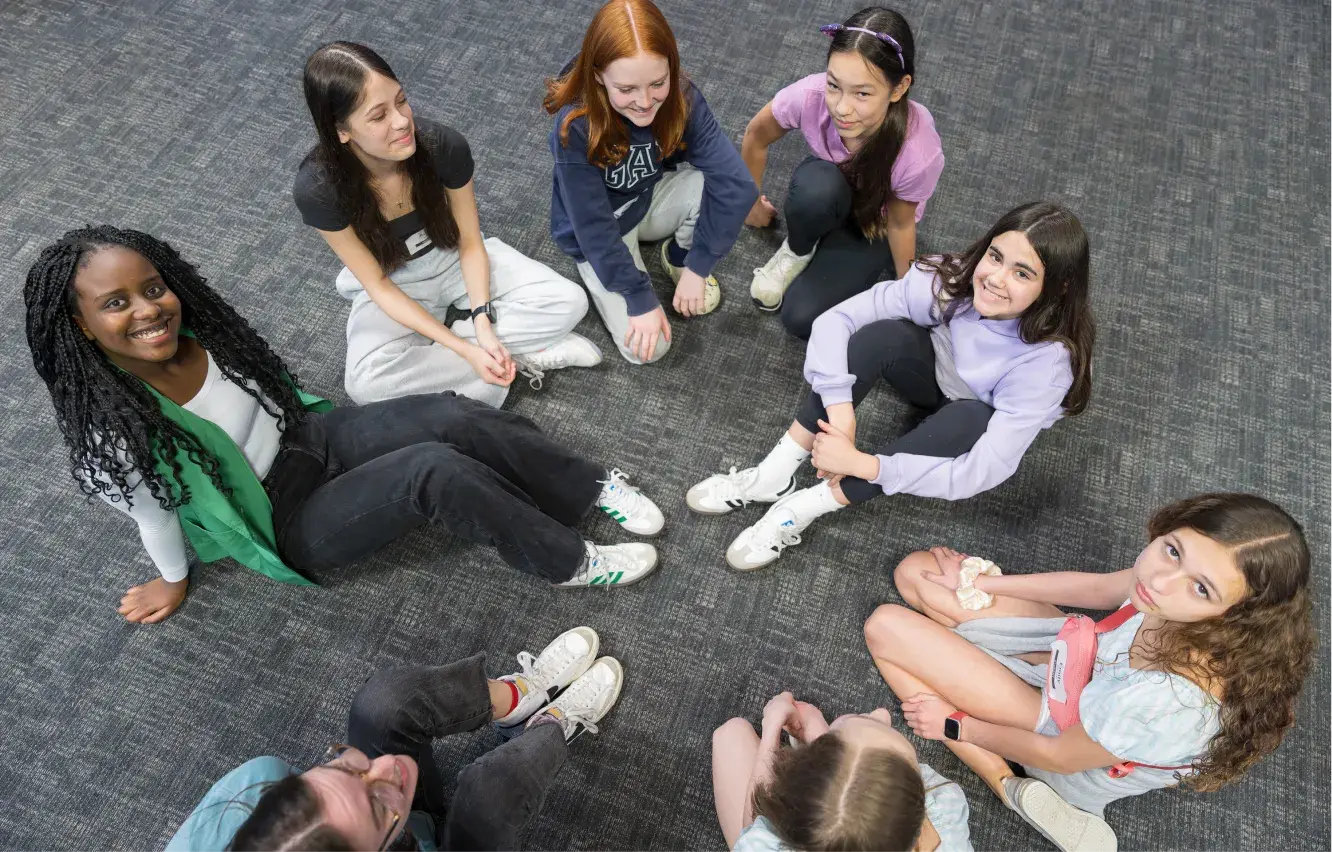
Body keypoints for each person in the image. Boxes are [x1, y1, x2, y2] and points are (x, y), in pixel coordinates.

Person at [23, 226, 665, 623]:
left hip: (307, 441)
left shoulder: (199, 335)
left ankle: (587, 488)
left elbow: (271, 400)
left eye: (153, 288)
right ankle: (569, 561)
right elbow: (155, 515)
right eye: (115, 304)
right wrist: (172, 580)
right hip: (285, 519)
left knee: (451, 413)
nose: (148, 311)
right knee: (434, 473)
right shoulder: (114, 431)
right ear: (81, 325)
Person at [865, 493, 1315, 851]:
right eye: (1173, 550)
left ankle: (1005, 783)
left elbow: (1060, 754)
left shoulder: (1169, 701)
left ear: (1233, 615)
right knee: (918, 574)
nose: (1160, 581)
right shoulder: (1160, 592)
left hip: (1072, 738)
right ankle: (983, 669)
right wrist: (981, 583)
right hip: (1087, 664)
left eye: (1200, 588)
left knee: (884, 627)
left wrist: (958, 724)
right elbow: (1099, 588)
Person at [687, 202, 1093, 571]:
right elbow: (836, 321)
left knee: (970, 418)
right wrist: (841, 415)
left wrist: (864, 464)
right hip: (933, 375)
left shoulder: (1045, 367)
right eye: (995, 257)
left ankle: (803, 507)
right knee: (882, 335)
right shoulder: (952, 278)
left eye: (1022, 273)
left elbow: (977, 474)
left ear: (1056, 288)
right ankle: (772, 474)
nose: (995, 279)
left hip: (977, 413)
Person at [296, 41, 601, 408]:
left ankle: (473, 362)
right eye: (378, 117)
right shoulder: (318, 190)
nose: (401, 121)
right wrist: (461, 347)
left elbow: (471, 242)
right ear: (340, 130)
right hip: (392, 280)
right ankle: (507, 357)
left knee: (568, 301)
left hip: (454, 257)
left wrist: (483, 325)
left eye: (401, 101)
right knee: (363, 384)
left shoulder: (442, 146)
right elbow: (376, 284)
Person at [166, 626, 624, 851]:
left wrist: (382, 805)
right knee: (496, 790)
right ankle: (553, 727)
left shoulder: (252, 787)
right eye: (380, 804)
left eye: (342, 764)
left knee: (386, 703)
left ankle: (517, 699)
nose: (389, 767)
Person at [545, 0, 758, 364]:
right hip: (601, 230)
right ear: (597, 75)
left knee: (716, 185)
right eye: (626, 89)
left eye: (658, 83)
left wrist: (697, 265)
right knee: (648, 350)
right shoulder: (575, 126)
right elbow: (593, 227)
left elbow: (737, 183)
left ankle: (675, 256)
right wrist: (638, 295)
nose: (645, 102)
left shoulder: (682, 95)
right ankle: (628, 274)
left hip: (646, 196)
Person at [740, 7, 944, 339]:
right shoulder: (810, 96)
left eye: (862, 93)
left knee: (800, 319)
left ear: (898, 88)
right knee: (815, 190)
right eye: (834, 85)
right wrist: (750, 204)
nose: (841, 107)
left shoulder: (919, 153)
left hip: (875, 223)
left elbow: (900, 222)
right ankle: (798, 248)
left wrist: (905, 290)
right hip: (827, 190)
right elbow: (755, 136)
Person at [712, 691, 974, 851]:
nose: (883, 714)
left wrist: (771, 730)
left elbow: (753, 834)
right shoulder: (945, 809)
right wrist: (818, 734)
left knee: (731, 733)